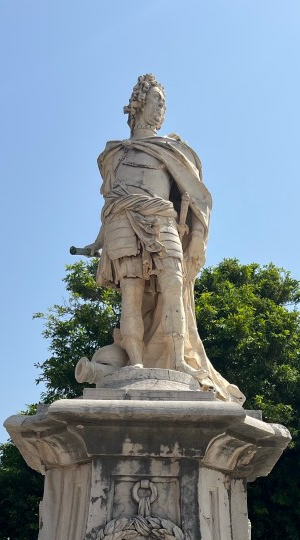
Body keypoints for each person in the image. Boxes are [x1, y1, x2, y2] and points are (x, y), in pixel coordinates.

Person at [74, 74, 244, 404]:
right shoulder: (114, 155)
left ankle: (178, 360)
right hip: (121, 224)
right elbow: (112, 203)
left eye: (163, 103)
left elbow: (197, 199)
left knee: (173, 289)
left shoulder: (172, 150)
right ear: (138, 104)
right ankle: (136, 361)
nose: (161, 108)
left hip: (163, 219)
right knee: (132, 293)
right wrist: (99, 241)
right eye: (157, 101)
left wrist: (196, 236)